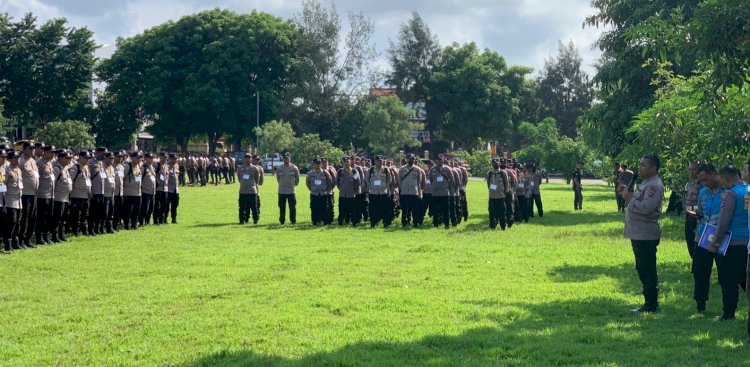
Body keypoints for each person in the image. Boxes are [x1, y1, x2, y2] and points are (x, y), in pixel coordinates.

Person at [619, 154, 664, 313]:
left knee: (647, 268)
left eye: (644, 165)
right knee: (642, 267)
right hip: (638, 233)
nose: (640, 167)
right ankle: (649, 300)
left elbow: (646, 208)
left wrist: (630, 198)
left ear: (653, 168)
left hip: (646, 234)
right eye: (640, 164)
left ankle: (651, 303)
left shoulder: (654, 186)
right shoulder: (645, 183)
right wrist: (627, 195)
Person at [707, 165, 749, 321]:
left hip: (733, 242)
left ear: (727, 179)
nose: (722, 184)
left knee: (728, 279)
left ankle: (728, 313)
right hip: (747, 242)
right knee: (745, 278)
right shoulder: (748, 190)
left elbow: (724, 221)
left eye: (722, 180)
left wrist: (715, 242)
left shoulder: (730, 194)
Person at [691, 163, 723, 313]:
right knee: (700, 270)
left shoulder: (726, 191)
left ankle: (728, 306)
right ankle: (700, 303)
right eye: (701, 181)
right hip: (703, 236)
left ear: (714, 173)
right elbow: (701, 213)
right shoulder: (703, 192)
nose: (704, 183)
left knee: (725, 272)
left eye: (705, 179)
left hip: (722, 237)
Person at [19, 142, 39, 247]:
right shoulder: (20, 160)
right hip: (25, 193)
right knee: (25, 218)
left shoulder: (33, 161)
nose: (32, 150)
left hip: (33, 193)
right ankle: (21, 240)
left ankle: (28, 239)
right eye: (30, 148)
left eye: (33, 148)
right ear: (24, 149)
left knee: (32, 217)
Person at [68, 151, 92, 236]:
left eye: (88, 158)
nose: (87, 160)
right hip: (77, 195)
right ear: (81, 158)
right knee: (76, 215)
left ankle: (84, 229)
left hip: (85, 195)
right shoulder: (75, 168)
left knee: (85, 214)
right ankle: (75, 231)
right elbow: (70, 181)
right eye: (86, 158)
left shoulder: (86, 168)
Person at [35, 145, 56, 244]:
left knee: (49, 217)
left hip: (51, 194)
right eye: (51, 152)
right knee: (42, 217)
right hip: (42, 194)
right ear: (45, 152)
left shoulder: (50, 163)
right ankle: (40, 237)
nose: (53, 154)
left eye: (53, 152)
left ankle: (46, 236)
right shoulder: (39, 163)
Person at [50, 151, 72, 242]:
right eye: (67, 158)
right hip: (59, 197)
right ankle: (55, 236)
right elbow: (52, 183)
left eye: (70, 158)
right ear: (61, 158)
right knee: (57, 218)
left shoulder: (65, 168)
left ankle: (61, 234)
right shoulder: (57, 169)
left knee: (63, 217)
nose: (69, 160)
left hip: (66, 197)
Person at [428, 155, 454, 229]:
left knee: (445, 209)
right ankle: (436, 224)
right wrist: (433, 186)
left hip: (445, 192)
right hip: (435, 193)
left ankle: (446, 224)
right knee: (435, 209)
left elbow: (451, 179)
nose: (440, 161)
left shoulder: (447, 169)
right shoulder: (432, 169)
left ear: (443, 160)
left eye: (441, 160)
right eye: (438, 160)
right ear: (436, 161)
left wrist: (448, 187)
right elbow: (430, 179)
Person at [398, 154, 425, 227]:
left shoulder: (417, 169)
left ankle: (415, 223)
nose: (412, 160)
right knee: (404, 210)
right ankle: (404, 223)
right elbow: (399, 180)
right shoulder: (402, 169)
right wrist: (401, 189)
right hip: (404, 192)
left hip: (414, 192)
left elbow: (419, 181)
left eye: (413, 159)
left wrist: (419, 193)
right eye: (410, 158)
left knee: (415, 210)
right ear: (407, 159)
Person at [4, 151, 23, 251]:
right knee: (11, 222)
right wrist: (3, 198)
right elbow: (3, 185)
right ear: (10, 159)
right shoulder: (7, 170)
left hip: (18, 200)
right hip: (10, 200)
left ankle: (15, 242)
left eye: (18, 157)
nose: (17, 159)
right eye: (14, 158)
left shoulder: (19, 170)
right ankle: (8, 243)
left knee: (18, 222)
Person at [366, 156, 392, 228]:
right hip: (373, 192)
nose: (380, 162)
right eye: (378, 161)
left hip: (383, 192)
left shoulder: (386, 169)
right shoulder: (371, 169)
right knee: (373, 208)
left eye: (381, 161)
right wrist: (369, 186)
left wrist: (386, 187)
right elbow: (366, 179)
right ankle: (373, 222)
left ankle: (385, 222)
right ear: (375, 161)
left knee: (384, 208)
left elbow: (389, 179)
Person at [683, 161, 702, 260]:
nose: (691, 171)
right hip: (688, 215)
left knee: (696, 242)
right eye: (689, 169)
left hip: (696, 216)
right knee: (689, 239)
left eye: (693, 169)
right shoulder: (689, 184)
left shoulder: (701, 185)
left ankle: (697, 261)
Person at [237, 153, 261, 224]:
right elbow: (239, 178)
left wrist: (252, 184)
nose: (247, 159)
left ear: (251, 159)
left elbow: (257, 180)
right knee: (242, 207)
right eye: (246, 158)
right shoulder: (240, 168)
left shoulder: (255, 168)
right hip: (242, 191)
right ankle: (242, 220)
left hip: (252, 191)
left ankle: (255, 220)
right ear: (244, 159)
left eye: (249, 158)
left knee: (254, 207)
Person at [337, 156, 361, 226]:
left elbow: (358, 182)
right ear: (343, 163)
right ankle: (340, 222)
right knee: (342, 209)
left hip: (351, 194)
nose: (346, 163)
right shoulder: (340, 171)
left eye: (347, 162)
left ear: (350, 162)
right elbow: (337, 182)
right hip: (342, 194)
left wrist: (354, 191)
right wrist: (341, 189)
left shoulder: (353, 171)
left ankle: (354, 222)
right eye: (345, 162)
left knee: (353, 209)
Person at [276, 153, 299, 225]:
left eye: (287, 158)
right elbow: (278, 178)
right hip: (282, 191)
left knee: (292, 207)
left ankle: (293, 221)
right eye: (285, 158)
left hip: (291, 191)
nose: (286, 159)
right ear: (283, 159)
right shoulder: (279, 168)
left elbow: (297, 178)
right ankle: (282, 221)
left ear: (290, 159)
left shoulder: (294, 168)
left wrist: (294, 185)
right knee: (282, 207)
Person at [307, 158, 331, 226]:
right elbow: (307, 183)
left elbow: (329, 182)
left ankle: (325, 221)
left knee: (324, 208)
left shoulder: (325, 172)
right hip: (314, 194)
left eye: (319, 163)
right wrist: (312, 189)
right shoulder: (310, 173)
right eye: (316, 163)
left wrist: (326, 190)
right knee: (314, 208)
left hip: (323, 193)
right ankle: (315, 221)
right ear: (314, 164)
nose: (318, 165)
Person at [122, 151, 142, 230]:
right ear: (132, 158)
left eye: (140, 158)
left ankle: (134, 224)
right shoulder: (127, 166)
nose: (139, 159)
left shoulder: (138, 166)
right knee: (128, 211)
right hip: (129, 193)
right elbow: (122, 178)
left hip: (138, 193)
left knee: (137, 210)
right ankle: (127, 225)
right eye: (137, 158)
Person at [487, 159, 509, 230]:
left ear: (499, 164)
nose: (495, 165)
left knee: (502, 212)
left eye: (497, 163)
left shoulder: (503, 173)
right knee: (492, 212)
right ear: (492, 164)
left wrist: (505, 192)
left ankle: (503, 226)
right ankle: (492, 226)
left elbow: (506, 183)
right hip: (492, 196)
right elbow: (488, 184)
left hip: (501, 196)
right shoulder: (490, 173)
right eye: (494, 164)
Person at [166, 154, 181, 224]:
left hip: (176, 189)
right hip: (169, 189)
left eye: (176, 159)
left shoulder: (176, 166)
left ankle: (174, 219)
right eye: (174, 159)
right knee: (167, 205)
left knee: (175, 205)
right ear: (170, 159)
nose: (175, 160)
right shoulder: (167, 166)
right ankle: (164, 218)